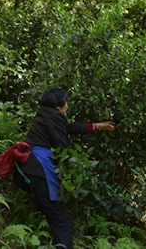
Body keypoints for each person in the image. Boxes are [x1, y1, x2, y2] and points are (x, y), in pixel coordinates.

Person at [13, 88, 115, 249]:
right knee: (62, 221)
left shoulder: (44, 114)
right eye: (66, 103)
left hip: (26, 169)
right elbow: (62, 147)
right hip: (39, 169)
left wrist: (97, 126)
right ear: (58, 106)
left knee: (52, 213)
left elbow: (69, 128)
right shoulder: (56, 117)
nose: (67, 106)